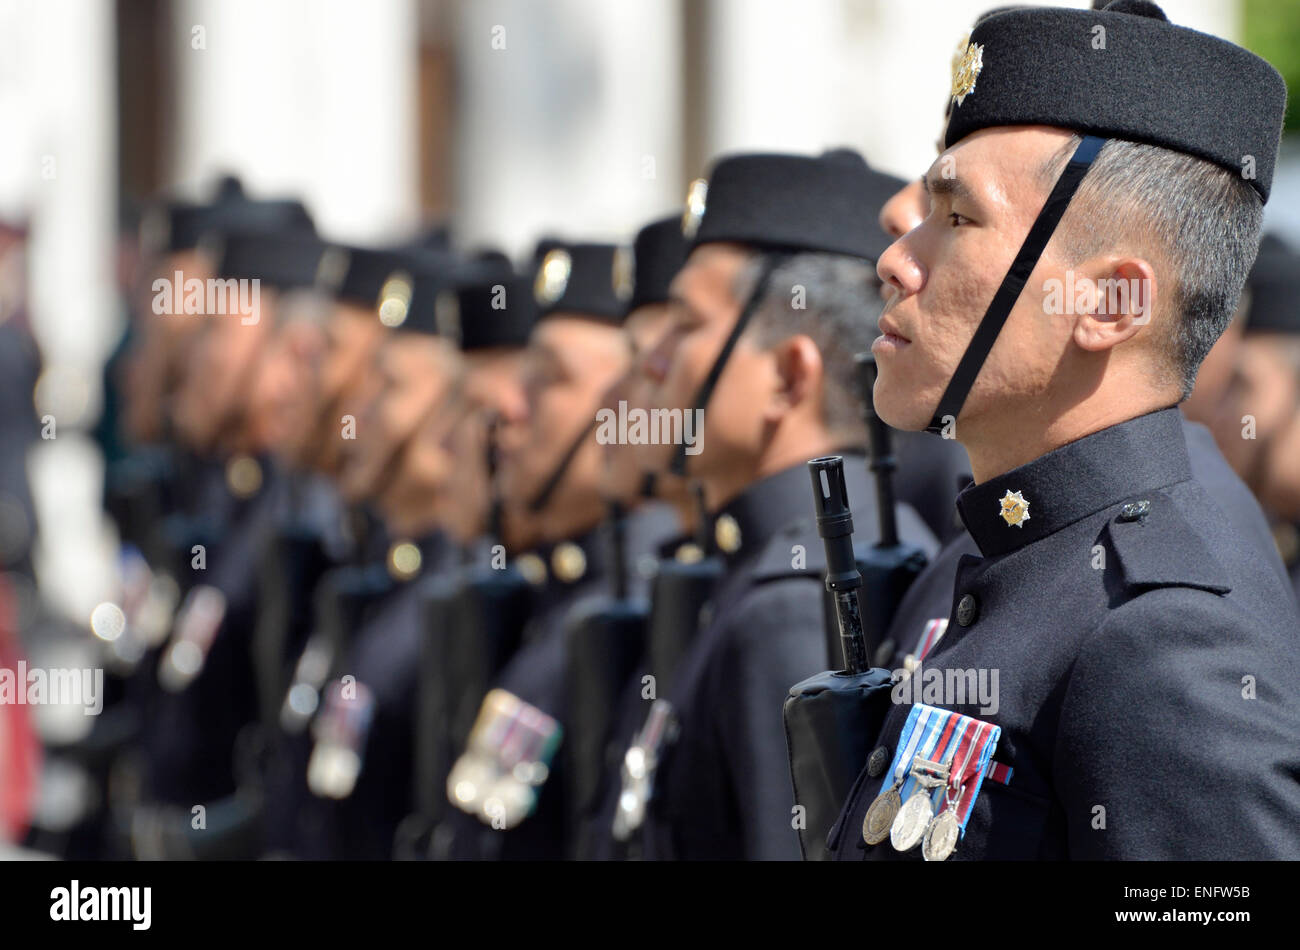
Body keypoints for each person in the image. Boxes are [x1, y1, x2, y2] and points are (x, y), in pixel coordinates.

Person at [831, 0, 1300, 861]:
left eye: (958, 219)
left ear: (1109, 303)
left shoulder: (1164, 644)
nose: (896, 258)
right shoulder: (998, 558)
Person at [626, 148, 936, 860]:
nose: (651, 357)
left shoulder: (799, 599)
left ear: (789, 376)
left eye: (685, 323)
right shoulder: (777, 567)